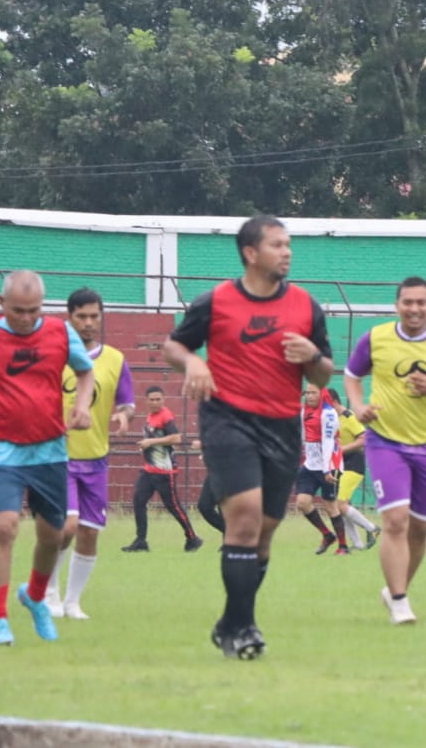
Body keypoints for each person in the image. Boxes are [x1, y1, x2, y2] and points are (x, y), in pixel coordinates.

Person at [164, 215, 334, 660]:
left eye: (289, 244)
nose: (287, 252)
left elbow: (325, 370)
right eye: (277, 244)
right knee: (244, 518)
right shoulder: (215, 302)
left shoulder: (306, 306)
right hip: (227, 421)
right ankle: (244, 629)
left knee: (266, 532)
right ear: (250, 253)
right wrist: (194, 364)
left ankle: (230, 622)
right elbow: (173, 346)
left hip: (281, 426)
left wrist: (312, 356)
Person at [343, 277, 426, 625]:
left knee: (419, 531)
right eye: (408, 302)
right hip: (385, 442)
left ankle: (394, 590)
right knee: (396, 521)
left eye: (421, 303)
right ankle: (400, 601)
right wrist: (357, 406)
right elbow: (352, 375)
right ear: (397, 305)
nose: (414, 309)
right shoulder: (376, 338)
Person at [0, 271, 94, 647]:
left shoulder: (60, 332)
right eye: (18, 310)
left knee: (55, 535)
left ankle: (34, 597)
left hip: (50, 449)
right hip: (1, 449)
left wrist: (82, 407)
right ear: (1, 304)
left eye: (34, 311)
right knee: (4, 527)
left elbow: (85, 373)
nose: (26, 318)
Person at [44, 288, 136, 620]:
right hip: (59, 457)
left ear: (101, 317)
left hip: (97, 459)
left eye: (94, 316)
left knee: (89, 531)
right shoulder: (54, 356)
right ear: (69, 317)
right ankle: (49, 591)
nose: (88, 322)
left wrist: (124, 415)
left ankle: (72, 602)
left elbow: (127, 401)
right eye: (81, 316)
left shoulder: (114, 359)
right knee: (66, 527)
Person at [122, 386, 203, 553]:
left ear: (163, 400)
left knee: (173, 506)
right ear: (146, 401)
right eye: (151, 399)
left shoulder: (165, 416)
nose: (155, 402)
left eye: (158, 399)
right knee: (138, 501)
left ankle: (192, 538)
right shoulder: (151, 416)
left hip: (165, 472)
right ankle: (141, 540)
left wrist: (150, 443)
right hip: (149, 470)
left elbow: (176, 438)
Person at [323, 388, 378, 551]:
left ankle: (372, 529)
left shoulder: (349, 416)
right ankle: (358, 544)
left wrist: (342, 450)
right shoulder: (330, 419)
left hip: (353, 464)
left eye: (325, 404)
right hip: (339, 465)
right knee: (341, 506)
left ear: (333, 401)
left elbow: (364, 438)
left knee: (340, 504)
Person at [296, 383, 348, 555]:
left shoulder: (328, 413)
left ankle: (343, 546)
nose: (309, 396)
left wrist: (327, 469)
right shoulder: (304, 411)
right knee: (302, 502)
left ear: (322, 394)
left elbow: (327, 442)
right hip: (311, 465)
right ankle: (327, 535)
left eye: (313, 393)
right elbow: (303, 437)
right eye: (307, 393)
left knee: (330, 506)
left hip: (329, 465)